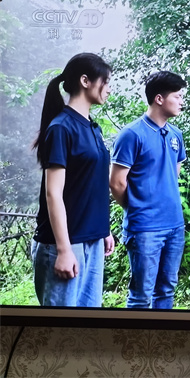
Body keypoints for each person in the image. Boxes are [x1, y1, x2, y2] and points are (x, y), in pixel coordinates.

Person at [32, 52, 114, 307]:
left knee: (87, 323)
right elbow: (53, 193)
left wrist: (103, 230)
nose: (109, 89)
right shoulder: (61, 127)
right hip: (65, 243)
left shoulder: (93, 127)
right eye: (106, 81)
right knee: (60, 324)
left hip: (92, 239)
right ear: (85, 81)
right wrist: (64, 250)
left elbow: (91, 183)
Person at [110, 71, 187, 309]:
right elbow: (116, 183)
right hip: (145, 228)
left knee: (167, 289)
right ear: (159, 99)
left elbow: (174, 173)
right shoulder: (131, 134)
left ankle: (162, 332)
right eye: (177, 96)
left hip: (175, 225)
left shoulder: (176, 135)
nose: (182, 101)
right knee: (141, 295)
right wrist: (137, 207)